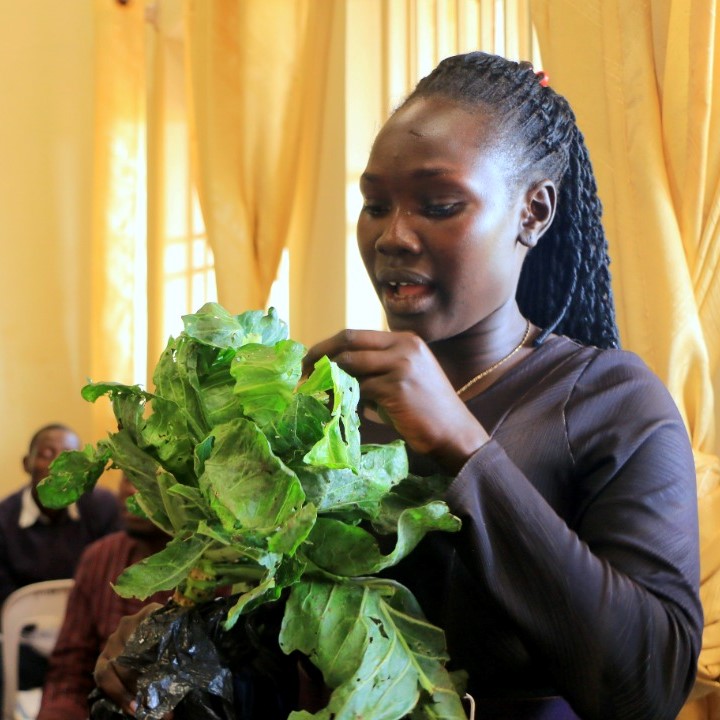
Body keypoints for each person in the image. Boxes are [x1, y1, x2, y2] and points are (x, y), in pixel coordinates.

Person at [94, 51, 702, 720]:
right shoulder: (325, 409)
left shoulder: (611, 401)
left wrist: (464, 448)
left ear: (533, 211)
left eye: (439, 204)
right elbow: (287, 668)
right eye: (375, 205)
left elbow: (652, 684)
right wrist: (180, 670)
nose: (393, 235)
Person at [36, 475, 171, 720]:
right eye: (126, 477)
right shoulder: (98, 557)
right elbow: (69, 671)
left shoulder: (220, 573)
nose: (130, 488)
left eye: (148, 477)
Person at [0, 424, 120, 691]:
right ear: (26, 463)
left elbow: (114, 580)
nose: (57, 465)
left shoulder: (103, 508)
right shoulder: (4, 520)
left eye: (69, 455)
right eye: (46, 453)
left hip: (91, 644)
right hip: (26, 645)